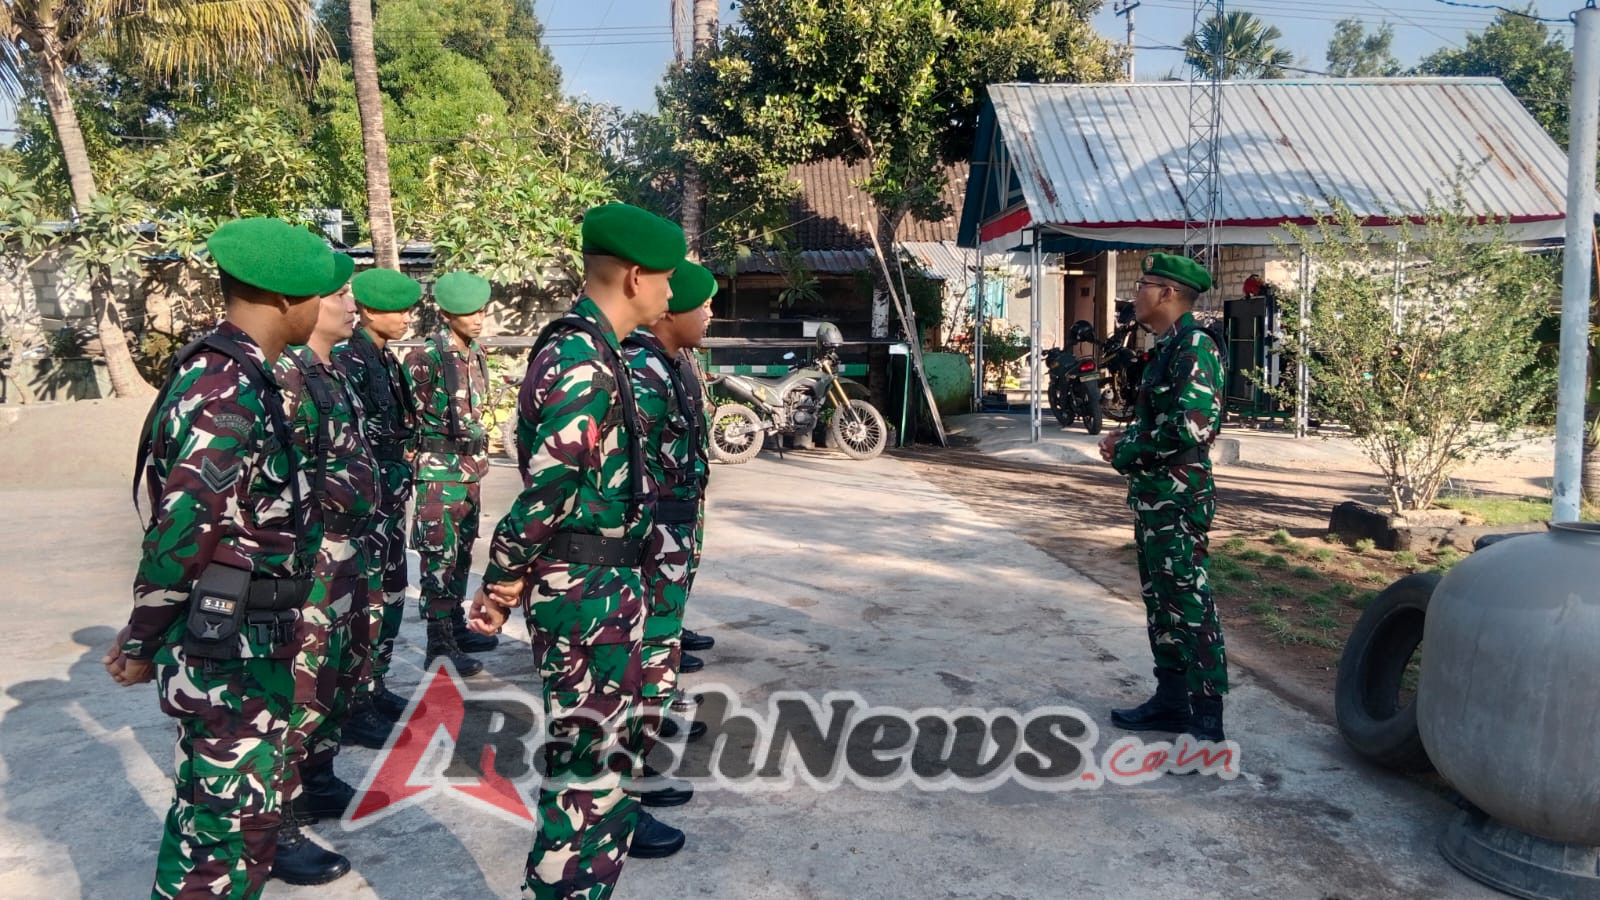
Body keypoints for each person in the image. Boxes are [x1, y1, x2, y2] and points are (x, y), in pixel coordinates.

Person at [107, 217, 351, 898]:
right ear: (283, 298)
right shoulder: (221, 386)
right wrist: (142, 638)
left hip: (258, 638)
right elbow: (182, 534)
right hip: (226, 649)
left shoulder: (254, 374)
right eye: (316, 294)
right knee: (217, 834)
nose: (327, 305)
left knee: (246, 822)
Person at [468, 202, 686, 897]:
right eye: (666, 278)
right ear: (631, 277)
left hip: (605, 589)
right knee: (586, 780)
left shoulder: (600, 354)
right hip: (584, 594)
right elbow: (548, 492)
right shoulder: (581, 362)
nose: (673, 294)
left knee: (603, 771)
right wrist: (502, 581)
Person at [269, 261, 386, 884]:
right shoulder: (283, 375)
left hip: (347, 550)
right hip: (309, 559)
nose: (351, 303)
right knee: (299, 685)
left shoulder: (329, 370)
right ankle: (277, 820)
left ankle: (317, 778)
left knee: (337, 674)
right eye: (339, 294)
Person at [1098, 252, 1229, 746]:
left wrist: (1129, 448)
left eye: (1144, 285)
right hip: (1157, 495)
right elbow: (1164, 418)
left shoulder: (1194, 345)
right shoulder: (1169, 346)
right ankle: (1172, 700)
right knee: (1161, 599)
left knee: (1188, 601)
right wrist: (1127, 435)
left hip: (1177, 497)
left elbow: (1195, 425)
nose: (1136, 294)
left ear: (1169, 293)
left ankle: (1206, 717)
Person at [620, 260, 718, 844]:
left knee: (658, 653)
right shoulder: (639, 368)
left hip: (672, 530)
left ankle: (636, 770)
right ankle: (622, 793)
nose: (710, 312)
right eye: (700, 303)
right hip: (649, 538)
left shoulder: (672, 363)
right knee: (643, 659)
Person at [331, 268, 423, 745]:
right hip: (368, 498)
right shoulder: (349, 360)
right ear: (368, 311)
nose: (407, 318)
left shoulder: (387, 361)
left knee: (389, 590)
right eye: (397, 309)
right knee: (364, 598)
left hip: (391, 491)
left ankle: (376, 682)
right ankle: (355, 699)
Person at [405, 271, 498, 677]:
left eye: (480, 310)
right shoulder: (424, 358)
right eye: (467, 313)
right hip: (438, 476)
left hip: (468, 472)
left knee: (460, 556)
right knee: (438, 558)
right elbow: (408, 419)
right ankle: (438, 644)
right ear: (445, 313)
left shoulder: (474, 352)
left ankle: (455, 628)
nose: (477, 319)